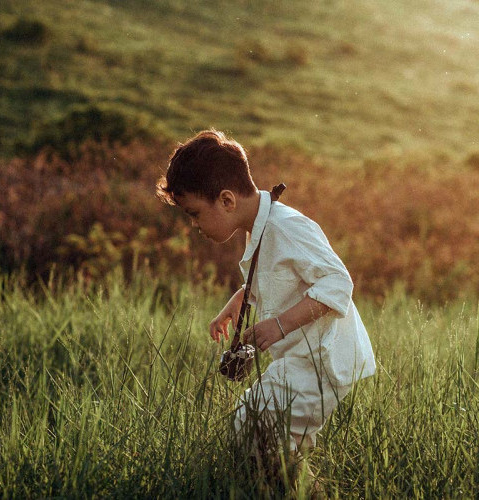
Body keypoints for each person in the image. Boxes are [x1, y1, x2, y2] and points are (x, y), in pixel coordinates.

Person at [156, 129, 376, 484]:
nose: (194, 225)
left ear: (227, 200)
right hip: (301, 360)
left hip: (323, 361)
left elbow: (339, 283)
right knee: (255, 428)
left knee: (261, 433)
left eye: (195, 214)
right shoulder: (259, 224)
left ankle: (299, 489)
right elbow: (278, 275)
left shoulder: (286, 227)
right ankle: (299, 488)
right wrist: (237, 301)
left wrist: (280, 325)